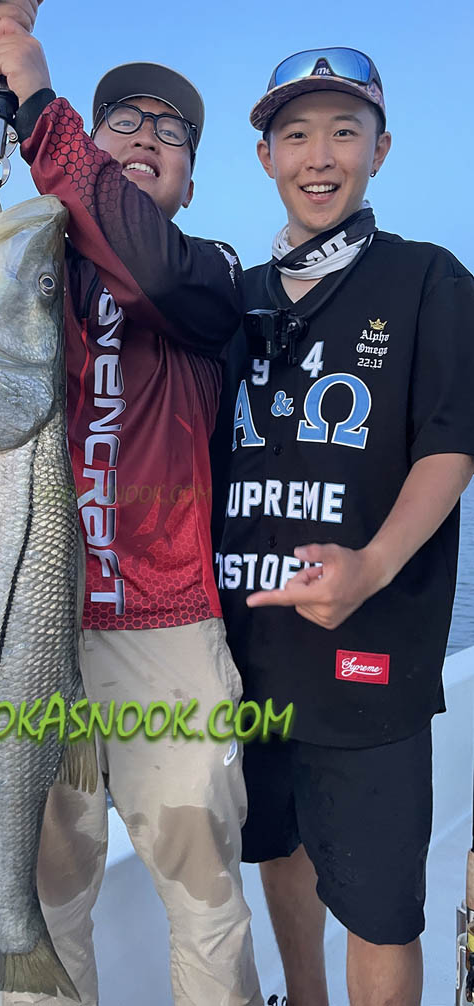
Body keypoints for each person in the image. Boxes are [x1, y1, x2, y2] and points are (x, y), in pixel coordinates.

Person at [0, 2, 263, 1003]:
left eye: (170, 133)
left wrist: (44, 106)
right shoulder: (26, 267)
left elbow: (154, 265)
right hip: (22, 633)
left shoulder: (208, 278)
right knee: (51, 896)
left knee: (204, 891)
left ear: (190, 178)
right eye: (122, 119)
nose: (143, 138)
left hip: (163, 629)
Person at [211, 46, 474, 1006]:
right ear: (266, 157)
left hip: (369, 661)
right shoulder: (230, 299)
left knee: (381, 906)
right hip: (246, 653)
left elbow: (451, 445)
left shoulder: (427, 279)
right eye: (295, 135)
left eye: (342, 132)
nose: (319, 155)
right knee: (276, 848)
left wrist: (368, 566)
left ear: (381, 148)